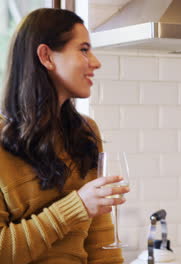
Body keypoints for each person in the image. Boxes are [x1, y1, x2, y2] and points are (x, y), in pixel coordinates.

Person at [0, 8, 129, 263]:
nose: (95, 62)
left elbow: (102, 246)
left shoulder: (86, 132)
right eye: (83, 49)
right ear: (46, 56)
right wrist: (77, 207)